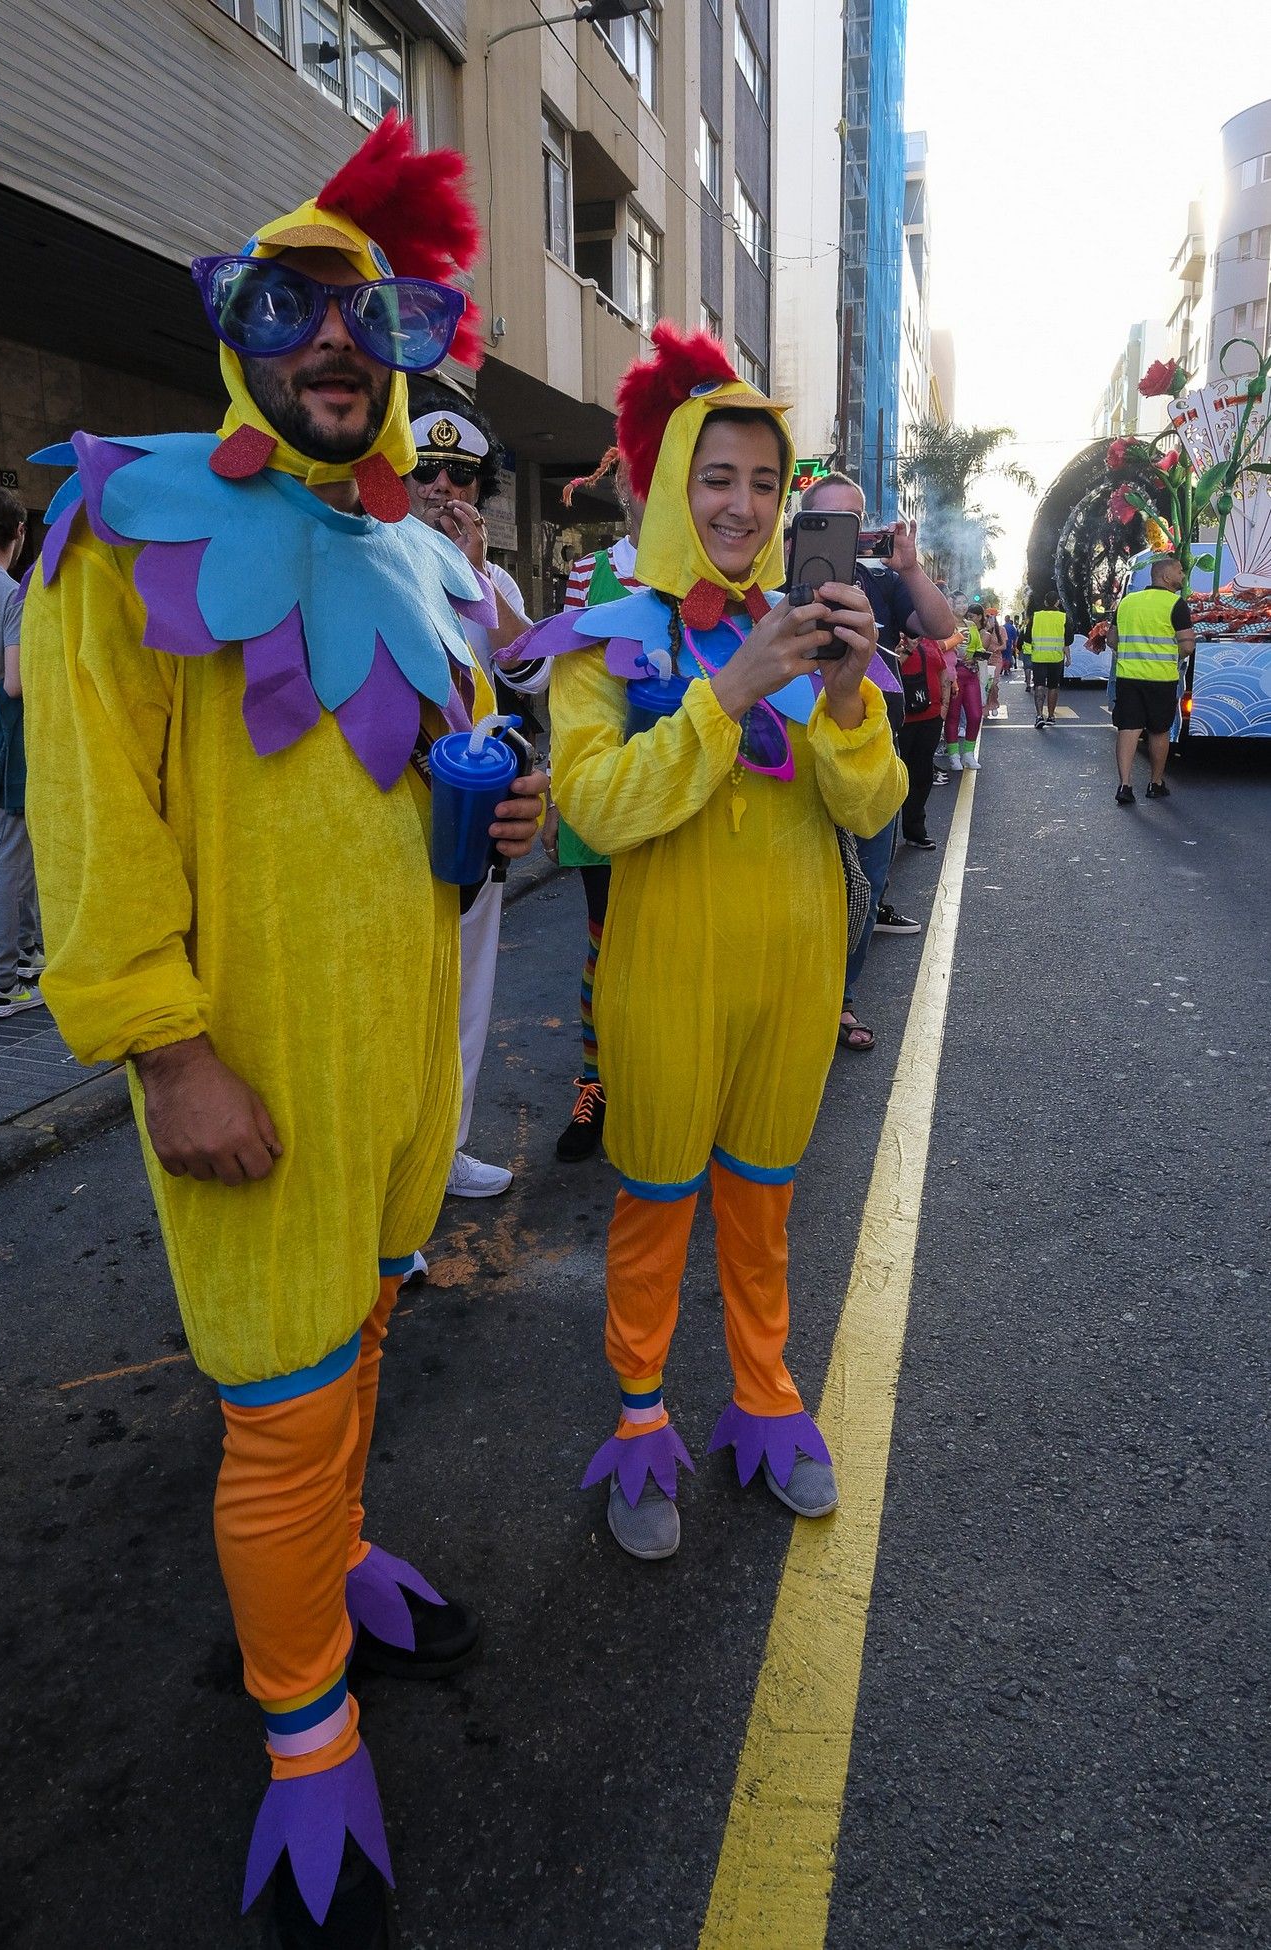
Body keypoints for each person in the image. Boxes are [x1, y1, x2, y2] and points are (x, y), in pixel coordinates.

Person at [20, 115, 548, 1946]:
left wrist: (512, 821)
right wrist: (166, 1045)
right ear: (241, 329)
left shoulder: (423, 570)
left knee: (366, 1337)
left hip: (405, 1054)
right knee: (276, 1408)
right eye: (295, 304)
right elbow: (94, 824)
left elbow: (435, 807)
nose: (338, 342)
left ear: (408, 352)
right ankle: (303, 1728)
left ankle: (332, 1571)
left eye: (374, 315)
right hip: (248, 1068)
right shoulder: (126, 519)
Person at [511, 323, 906, 1559]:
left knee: (764, 1204)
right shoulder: (606, 639)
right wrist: (726, 692)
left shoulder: (816, 632)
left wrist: (842, 694)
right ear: (673, 480)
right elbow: (593, 806)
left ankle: (765, 1398)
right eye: (716, 477)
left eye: (762, 482)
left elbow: (870, 806)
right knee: (657, 1203)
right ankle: (640, 1423)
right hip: (662, 980)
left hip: (793, 978)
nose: (740, 506)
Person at [408, 390, 537, 1200]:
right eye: (427, 472)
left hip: (472, 812)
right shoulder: (366, 548)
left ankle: (442, 1153)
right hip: (394, 812)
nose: (443, 490)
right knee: (401, 1004)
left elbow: (529, 669)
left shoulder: (489, 576)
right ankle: (397, 1183)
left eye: (461, 475)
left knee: (468, 992)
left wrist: (482, 575)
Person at [797, 474, 956, 1037]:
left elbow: (942, 628)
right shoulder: (784, 575)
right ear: (803, 522)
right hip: (798, 755)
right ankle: (794, 998)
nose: (850, 532)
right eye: (832, 519)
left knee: (866, 877)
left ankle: (841, 996)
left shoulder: (884, 582)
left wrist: (910, 568)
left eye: (857, 519)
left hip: (871, 756)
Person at [547, 448, 644, 1162]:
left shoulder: (700, 572)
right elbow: (567, 686)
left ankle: (659, 1079)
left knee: (671, 945)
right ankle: (596, 1082)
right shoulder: (590, 571)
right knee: (606, 941)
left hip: (679, 786)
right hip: (604, 784)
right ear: (621, 489)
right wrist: (559, 795)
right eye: (637, 476)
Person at [0, 484, 45, 1018]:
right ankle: (4, 982)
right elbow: (17, 685)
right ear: (19, 533)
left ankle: (25, 954)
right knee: (6, 849)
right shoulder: (13, 594)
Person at [1107, 553, 1194, 804]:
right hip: (1161, 680)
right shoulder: (1176, 604)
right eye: (1179, 571)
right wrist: (1169, 654)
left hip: (1128, 677)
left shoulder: (1127, 602)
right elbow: (1187, 646)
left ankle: (1124, 786)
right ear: (1166, 576)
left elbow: (1112, 640)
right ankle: (1155, 784)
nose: (1183, 575)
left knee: (1128, 729)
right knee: (1158, 731)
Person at [896, 630, 952, 849]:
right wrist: (908, 648)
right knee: (899, 777)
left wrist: (944, 707)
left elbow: (942, 672)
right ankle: (885, 838)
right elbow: (890, 671)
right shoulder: (895, 637)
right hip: (903, 720)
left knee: (922, 775)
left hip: (931, 717)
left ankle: (915, 830)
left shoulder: (931, 640)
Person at [943, 602, 999, 770]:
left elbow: (979, 647)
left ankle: (968, 754)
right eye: (958, 602)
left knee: (975, 715)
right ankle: (953, 756)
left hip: (971, 674)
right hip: (954, 675)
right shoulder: (945, 626)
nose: (962, 606)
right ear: (951, 605)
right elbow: (942, 647)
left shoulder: (971, 626)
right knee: (953, 716)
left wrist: (978, 656)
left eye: (964, 602)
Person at [1026, 591, 1074, 726]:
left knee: (1039, 685)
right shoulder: (1064, 618)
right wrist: (1068, 656)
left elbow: (1027, 638)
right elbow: (1069, 639)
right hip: (1056, 658)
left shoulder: (1036, 617)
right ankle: (1051, 716)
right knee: (1053, 686)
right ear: (1058, 602)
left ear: (1045, 602)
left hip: (1039, 657)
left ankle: (1039, 715)